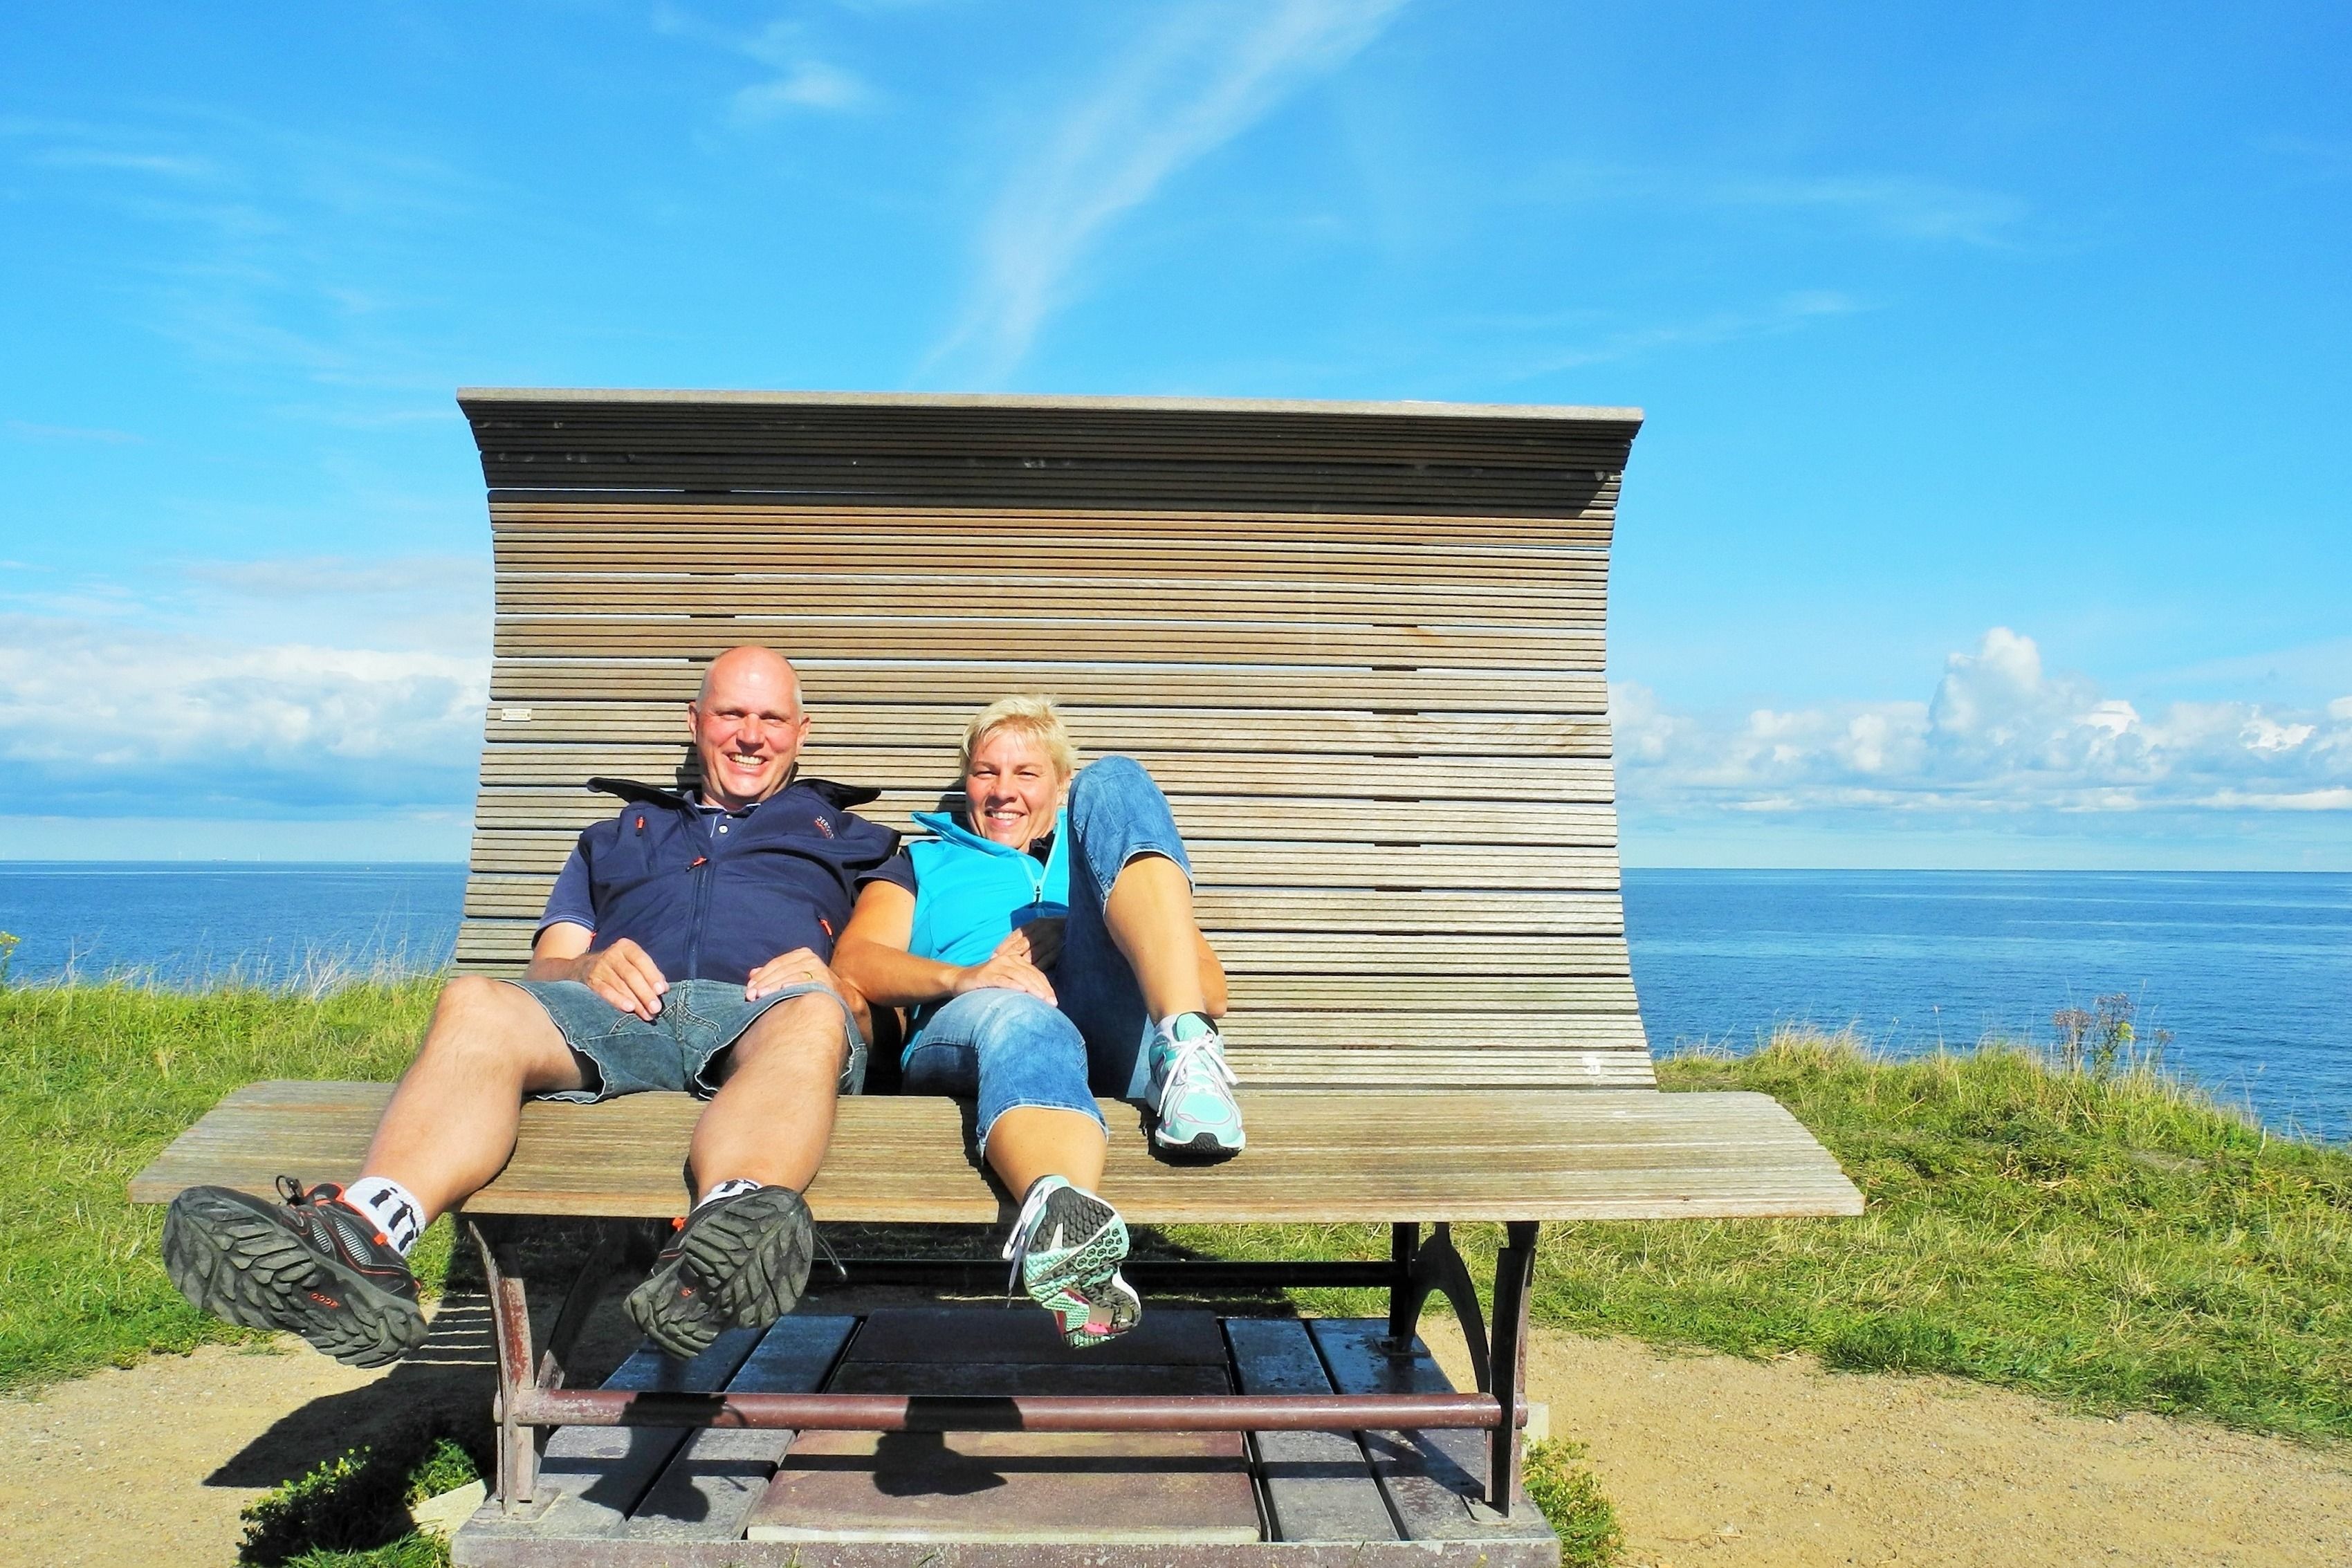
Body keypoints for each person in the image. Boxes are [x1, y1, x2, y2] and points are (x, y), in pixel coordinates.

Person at [162, 646, 895, 1365]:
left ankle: (717, 1250)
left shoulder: (862, 844)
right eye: (731, 713)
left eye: (771, 718)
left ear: (801, 731)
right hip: (617, 1016)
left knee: (813, 1012)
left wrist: (833, 984)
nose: (750, 735)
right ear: (695, 719)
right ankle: (367, 1237)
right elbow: (546, 966)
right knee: (475, 1000)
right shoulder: (615, 836)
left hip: (764, 1016)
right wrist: (586, 964)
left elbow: (875, 988)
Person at [832, 695, 1242, 1347]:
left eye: (1026, 773)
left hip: (1107, 1039)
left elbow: (1211, 990)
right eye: (985, 771)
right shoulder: (922, 861)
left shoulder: (1101, 870)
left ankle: (1181, 1070)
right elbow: (855, 962)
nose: (1003, 791)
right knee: (1023, 1014)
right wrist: (965, 976)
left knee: (1119, 779)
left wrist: (1076, 927)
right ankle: (1063, 1226)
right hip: (973, 1028)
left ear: (1058, 786)